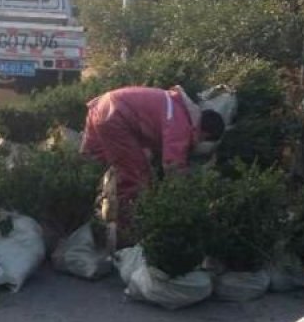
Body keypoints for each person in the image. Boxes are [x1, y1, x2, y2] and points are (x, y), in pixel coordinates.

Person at [80, 84, 225, 234]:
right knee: (137, 177)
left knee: (91, 163)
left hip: (103, 105)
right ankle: (125, 230)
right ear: (205, 135)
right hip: (116, 116)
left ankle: (81, 211)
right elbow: (172, 167)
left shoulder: (177, 107)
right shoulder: (182, 125)